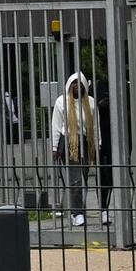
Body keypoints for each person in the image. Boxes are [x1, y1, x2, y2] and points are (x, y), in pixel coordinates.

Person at [50, 73, 102, 231]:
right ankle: (76, 213)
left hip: (86, 143)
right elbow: (56, 126)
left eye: (79, 84)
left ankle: (80, 209)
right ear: (68, 85)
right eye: (73, 84)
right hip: (69, 142)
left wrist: (98, 143)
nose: (76, 86)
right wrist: (54, 147)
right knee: (75, 179)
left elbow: (95, 126)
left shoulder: (91, 103)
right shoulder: (62, 102)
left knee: (84, 177)